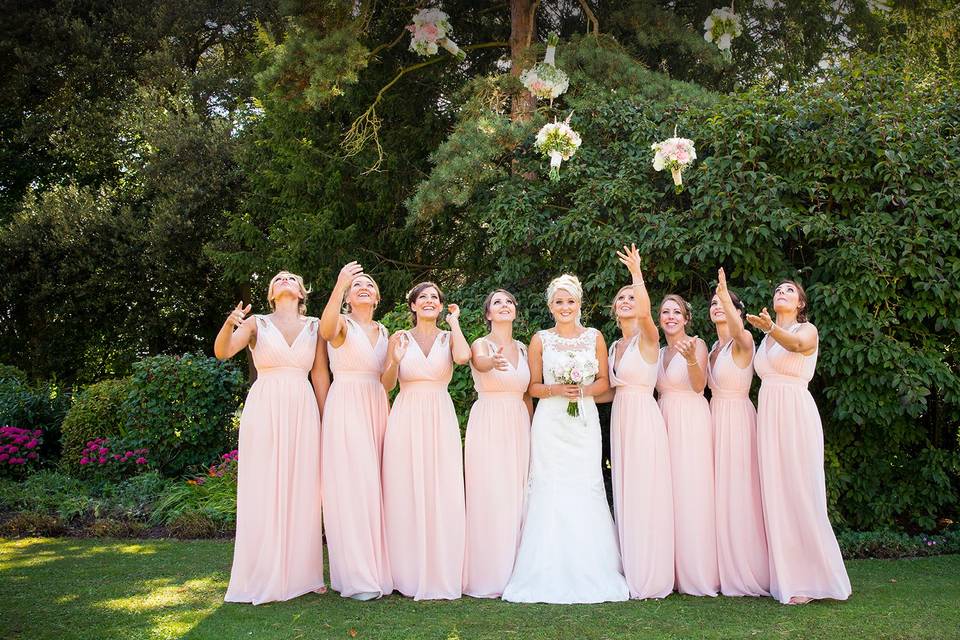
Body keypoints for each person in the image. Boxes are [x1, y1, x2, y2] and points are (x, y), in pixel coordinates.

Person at [502, 274, 630, 604]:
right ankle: (544, 568)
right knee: (550, 485)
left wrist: (583, 390)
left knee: (586, 483)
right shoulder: (540, 340)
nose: (565, 307)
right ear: (550, 306)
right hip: (550, 423)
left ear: (579, 304)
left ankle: (592, 565)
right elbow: (532, 388)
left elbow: (604, 382)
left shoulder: (595, 337)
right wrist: (558, 389)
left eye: (570, 301)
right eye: (559, 302)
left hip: (584, 423)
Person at [214, 271, 328, 605]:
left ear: (301, 291)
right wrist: (229, 323)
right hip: (264, 407)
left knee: (304, 487)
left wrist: (325, 417)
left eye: (291, 278)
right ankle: (261, 571)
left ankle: (306, 575)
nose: (285, 280)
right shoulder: (256, 324)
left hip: (303, 405)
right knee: (264, 486)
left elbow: (320, 373)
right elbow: (223, 352)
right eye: (278, 279)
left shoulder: (315, 326)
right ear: (270, 293)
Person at [747, 280, 851, 605]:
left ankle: (811, 579)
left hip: (795, 413)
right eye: (779, 290)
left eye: (790, 291)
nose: (782, 293)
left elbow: (795, 345)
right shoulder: (765, 339)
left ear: (801, 304)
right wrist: (766, 330)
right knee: (776, 494)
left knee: (800, 492)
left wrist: (771, 329)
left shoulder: (808, 330)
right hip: (769, 416)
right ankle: (787, 577)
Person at [381, 282, 471, 600]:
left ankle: (441, 569)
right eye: (424, 297)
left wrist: (455, 322)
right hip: (405, 415)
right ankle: (406, 572)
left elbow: (463, 358)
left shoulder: (449, 338)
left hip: (439, 414)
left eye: (435, 297)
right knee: (405, 489)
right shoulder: (399, 338)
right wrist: (393, 359)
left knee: (441, 487)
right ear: (414, 306)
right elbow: (387, 384)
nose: (430, 301)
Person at [318, 261, 392, 600]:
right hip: (347, 404)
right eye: (356, 285)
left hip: (378, 405)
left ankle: (379, 569)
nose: (363, 287)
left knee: (377, 487)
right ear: (348, 297)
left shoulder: (386, 332)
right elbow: (324, 329)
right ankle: (357, 576)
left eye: (369, 285)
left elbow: (388, 378)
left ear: (377, 297)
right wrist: (339, 281)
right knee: (353, 487)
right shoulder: (342, 325)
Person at [604, 245, 674, 599]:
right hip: (621, 420)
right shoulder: (613, 346)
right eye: (622, 298)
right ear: (614, 308)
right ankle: (631, 568)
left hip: (644, 417)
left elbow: (647, 314)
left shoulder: (648, 339)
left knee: (647, 491)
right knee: (627, 491)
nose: (627, 300)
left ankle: (651, 574)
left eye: (632, 297)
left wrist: (637, 275)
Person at [463, 289, 532, 598]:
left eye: (509, 302)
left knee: (518, 493)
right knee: (491, 492)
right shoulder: (481, 344)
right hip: (489, 421)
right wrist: (490, 362)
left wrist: (534, 429)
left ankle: (518, 569)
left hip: (519, 421)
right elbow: (478, 363)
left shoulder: (525, 348)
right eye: (497, 303)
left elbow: (528, 393)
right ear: (488, 314)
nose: (505, 306)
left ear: (515, 311)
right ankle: (488, 573)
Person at [708, 267, 769, 597]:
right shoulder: (712, 349)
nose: (718, 304)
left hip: (738, 419)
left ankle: (746, 566)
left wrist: (724, 292)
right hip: (714, 418)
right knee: (717, 493)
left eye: (727, 302)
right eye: (714, 302)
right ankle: (720, 564)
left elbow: (737, 328)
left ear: (739, 312)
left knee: (740, 491)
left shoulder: (744, 342)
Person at [657, 294, 720, 596]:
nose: (670, 316)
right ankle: (672, 571)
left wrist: (692, 358)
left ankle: (698, 572)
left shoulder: (697, 344)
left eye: (677, 312)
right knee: (668, 495)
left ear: (686, 319)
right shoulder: (656, 352)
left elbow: (699, 386)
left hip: (692, 420)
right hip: (663, 419)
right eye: (665, 312)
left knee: (692, 492)